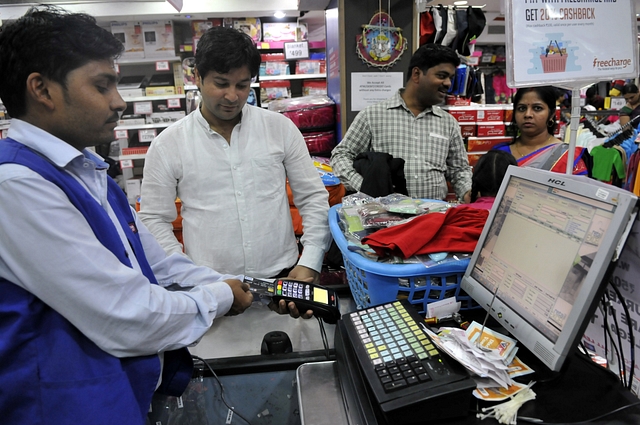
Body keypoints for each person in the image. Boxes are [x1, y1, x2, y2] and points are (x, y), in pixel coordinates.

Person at [0, 7, 254, 424]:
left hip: (117, 395)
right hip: (59, 409)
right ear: (41, 90)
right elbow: (127, 314)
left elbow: (156, 263)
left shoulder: (87, 172)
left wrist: (226, 282)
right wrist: (220, 296)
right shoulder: (16, 187)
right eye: (103, 86)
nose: (119, 102)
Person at [138, 26, 331, 292]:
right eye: (221, 83)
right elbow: (153, 219)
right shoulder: (168, 145)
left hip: (283, 279)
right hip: (209, 287)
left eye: (242, 85)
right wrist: (186, 274)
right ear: (197, 77)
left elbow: (312, 196)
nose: (232, 96)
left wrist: (311, 260)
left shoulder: (280, 128)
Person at [329, 43, 473, 202]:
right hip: (385, 219)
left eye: (450, 78)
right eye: (441, 76)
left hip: (433, 219)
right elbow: (340, 156)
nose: (448, 83)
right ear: (417, 74)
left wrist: (467, 192)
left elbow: (459, 170)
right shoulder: (373, 115)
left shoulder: (448, 123)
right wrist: (366, 187)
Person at [492, 86, 588, 175]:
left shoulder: (569, 157)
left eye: (537, 108)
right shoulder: (499, 154)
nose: (528, 114)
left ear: (551, 114)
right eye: (521, 108)